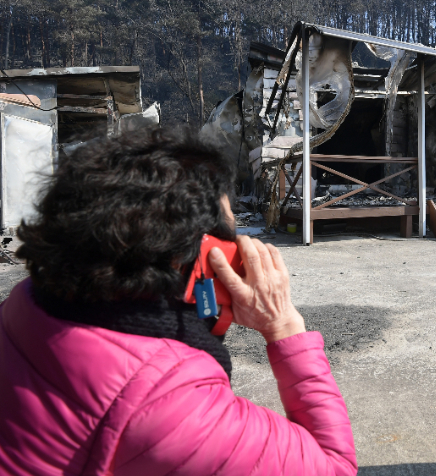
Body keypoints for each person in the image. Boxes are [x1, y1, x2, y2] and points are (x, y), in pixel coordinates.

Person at [0, 128, 357, 475]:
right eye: (232, 238)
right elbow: (334, 467)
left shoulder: (24, 303)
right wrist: (283, 325)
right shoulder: (170, 403)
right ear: (205, 257)